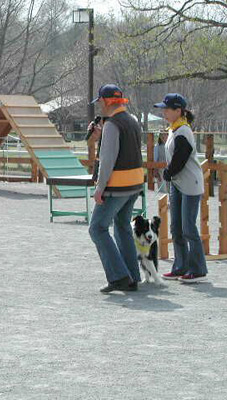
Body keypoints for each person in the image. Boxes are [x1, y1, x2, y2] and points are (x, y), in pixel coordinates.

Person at [88, 84, 144, 293]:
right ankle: (132, 277)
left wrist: (100, 188)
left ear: (105, 101)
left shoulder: (112, 125)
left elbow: (107, 159)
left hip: (117, 185)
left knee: (97, 228)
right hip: (134, 183)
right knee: (122, 226)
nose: (99, 106)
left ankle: (119, 276)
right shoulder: (132, 120)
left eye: (100, 101)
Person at [154, 93, 208, 283]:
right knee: (176, 227)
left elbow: (181, 158)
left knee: (188, 228)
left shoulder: (183, 131)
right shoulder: (173, 129)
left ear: (178, 111)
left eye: (167, 109)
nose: (164, 112)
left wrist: (168, 171)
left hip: (190, 184)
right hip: (177, 183)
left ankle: (198, 269)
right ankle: (180, 266)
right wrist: (169, 173)